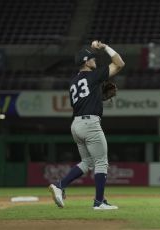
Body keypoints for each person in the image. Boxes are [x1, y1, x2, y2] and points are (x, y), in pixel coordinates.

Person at [48, 40, 125, 210]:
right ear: (85, 61)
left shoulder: (73, 81)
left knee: (87, 162)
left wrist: (98, 96)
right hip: (90, 123)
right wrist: (105, 47)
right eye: (92, 59)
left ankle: (60, 185)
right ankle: (98, 202)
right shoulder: (93, 76)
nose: (95, 61)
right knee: (101, 162)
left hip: (76, 125)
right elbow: (120, 63)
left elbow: (84, 99)